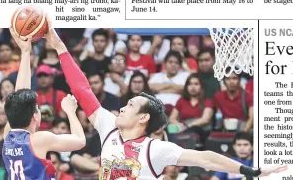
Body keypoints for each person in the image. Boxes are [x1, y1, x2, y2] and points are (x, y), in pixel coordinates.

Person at [44, 26, 287, 179]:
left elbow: (207, 158)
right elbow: (82, 88)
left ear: (143, 118)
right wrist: (61, 49)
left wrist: (250, 170)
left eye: (129, 106)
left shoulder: (156, 149)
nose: (121, 107)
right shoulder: (108, 127)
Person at [2, 28, 86, 179]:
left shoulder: (8, 135)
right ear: (35, 116)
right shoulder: (39, 139)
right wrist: (71, 112)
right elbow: (80, 141)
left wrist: (26, 52)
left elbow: (21, 95)